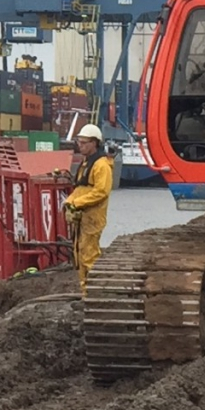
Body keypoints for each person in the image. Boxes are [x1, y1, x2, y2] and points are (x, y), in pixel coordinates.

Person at [63, 123, 115, 289]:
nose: (80, 145)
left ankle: (95, 292)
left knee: (89, 255)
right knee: (80, 254)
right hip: (83, 217)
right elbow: (80, 188)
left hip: (92, 217)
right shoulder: (86, 163)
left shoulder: (101, 165)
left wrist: (76, 203)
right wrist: (69, 202)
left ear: (95, 143)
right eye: (79, 142)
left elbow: (101, 192)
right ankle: (86, 292)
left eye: (84, 143)